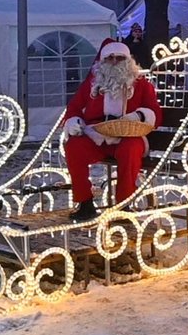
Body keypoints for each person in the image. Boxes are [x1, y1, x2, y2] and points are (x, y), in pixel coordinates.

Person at [62, 40, 162, 220]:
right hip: (97, 135)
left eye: (119, 58)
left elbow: (155, 112)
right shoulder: (92, 85)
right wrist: (73, 121)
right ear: (102, 62)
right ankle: (85, 203)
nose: (115, 62)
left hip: (129, 135)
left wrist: (139, 115)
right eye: (110, 58)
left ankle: (124, 204)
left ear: (128, 60)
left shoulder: (141, 84)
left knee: (130, 149)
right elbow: (74, 107)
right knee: (74, 146)